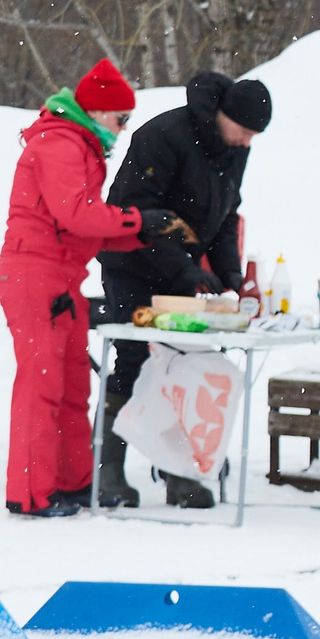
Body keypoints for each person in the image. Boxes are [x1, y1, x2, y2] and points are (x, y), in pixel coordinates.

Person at [0, 57, 194, 517]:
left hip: (61, 277)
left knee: (69, 388)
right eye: (121, 119)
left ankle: (72, 484)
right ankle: (30, 494)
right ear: (99, 112)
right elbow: (77, 216)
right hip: (33, 276)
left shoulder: (79, 145)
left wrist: (142, 232)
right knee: (40, 386)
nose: (123, 129)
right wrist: (140, 219)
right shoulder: (61, 145)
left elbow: (83, 224)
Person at [98, 71, 273, 509]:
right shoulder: (163, 135)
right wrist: (186, 271)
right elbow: (137, 214)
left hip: (182, 270)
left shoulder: (234, 148)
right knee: (134, 360)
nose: (247, 142)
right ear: (223, 115)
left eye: (254, 136)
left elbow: (227, 214)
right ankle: (108, 471)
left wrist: (231, 276)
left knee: (188, 362)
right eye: (245, 131)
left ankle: (181, 472)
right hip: (131, 265)